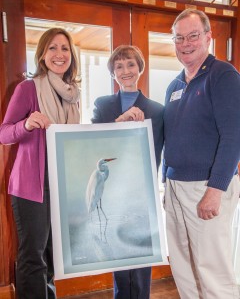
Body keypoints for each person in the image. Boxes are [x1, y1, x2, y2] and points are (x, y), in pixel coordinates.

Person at [163, 9, 240, 299]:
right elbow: (171, 137)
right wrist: (164, 181)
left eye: (193, 35)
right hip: (174, 188)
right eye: (179, 38)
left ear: (208, 37)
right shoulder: (174, 85)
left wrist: (216, 189)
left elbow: (234, 136)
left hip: (206, 188)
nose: (185, 43)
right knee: (183, 268)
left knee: (212, 273)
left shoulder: (223, 75)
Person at [0, 28, 80, 299]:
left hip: (60, 183)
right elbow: (4, 133)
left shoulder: (73, 95)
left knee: (52, 256)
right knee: (33, 256)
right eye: (53, 48)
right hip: (31, 186)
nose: (60, 54)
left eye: (65, 48)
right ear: (43, 55)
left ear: (72, 55)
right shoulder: (28, 88)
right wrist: (26, 124)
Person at [91, 45, 164, 299]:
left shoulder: (157, 110)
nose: (125, 71)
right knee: (119, 262)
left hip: (143, 196)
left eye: (130, 64)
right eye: (118, 66)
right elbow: (94, 144)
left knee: (142, 261)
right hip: (113, 194)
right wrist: (119, 123)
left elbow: (161, 153)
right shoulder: (102, 105)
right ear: (112, 73)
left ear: (140, 68)